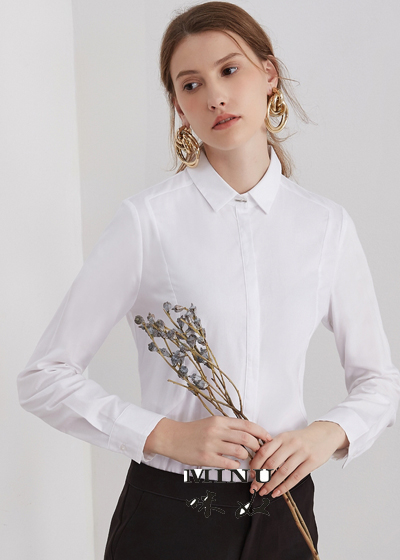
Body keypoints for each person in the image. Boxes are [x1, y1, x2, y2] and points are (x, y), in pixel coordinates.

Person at [17, 2, 400, 559]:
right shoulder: (147, 222)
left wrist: (327, 434)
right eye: (191, 84)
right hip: (169, 515)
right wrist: (164, 435)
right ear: (179, 106)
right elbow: (44, 376)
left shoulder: (325, 227)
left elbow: (379, 381)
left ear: (268, 74)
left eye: (229, 70)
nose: (215, 96)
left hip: (285, 514)